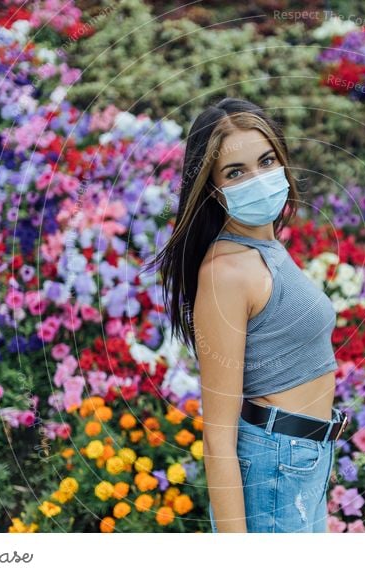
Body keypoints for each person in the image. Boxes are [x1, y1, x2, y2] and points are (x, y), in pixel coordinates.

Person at [147, 97, 348, 532]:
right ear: (213, 188)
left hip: (302, 458)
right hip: (277, 462)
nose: (258, 180)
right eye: (236, 172)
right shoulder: (225, 273)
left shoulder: (264, 247)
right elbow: (217, 435)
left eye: (266, 161)